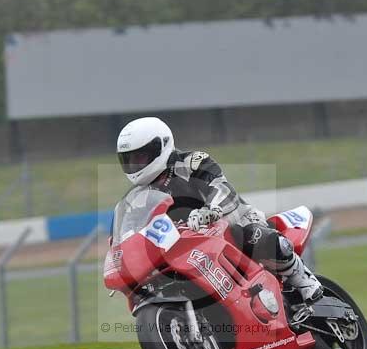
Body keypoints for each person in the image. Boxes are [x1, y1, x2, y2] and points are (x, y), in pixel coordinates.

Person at [116, 116, 323, 304]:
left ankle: (302, 278)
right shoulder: (139, 198)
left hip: (228, 220)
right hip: (184, 246)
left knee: (252, 235)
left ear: (160, 147)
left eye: (140, 157)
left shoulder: (193, 163)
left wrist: (210, 210)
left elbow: (223, 189)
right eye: (129, 159)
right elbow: (132, 230)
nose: (135, 164)